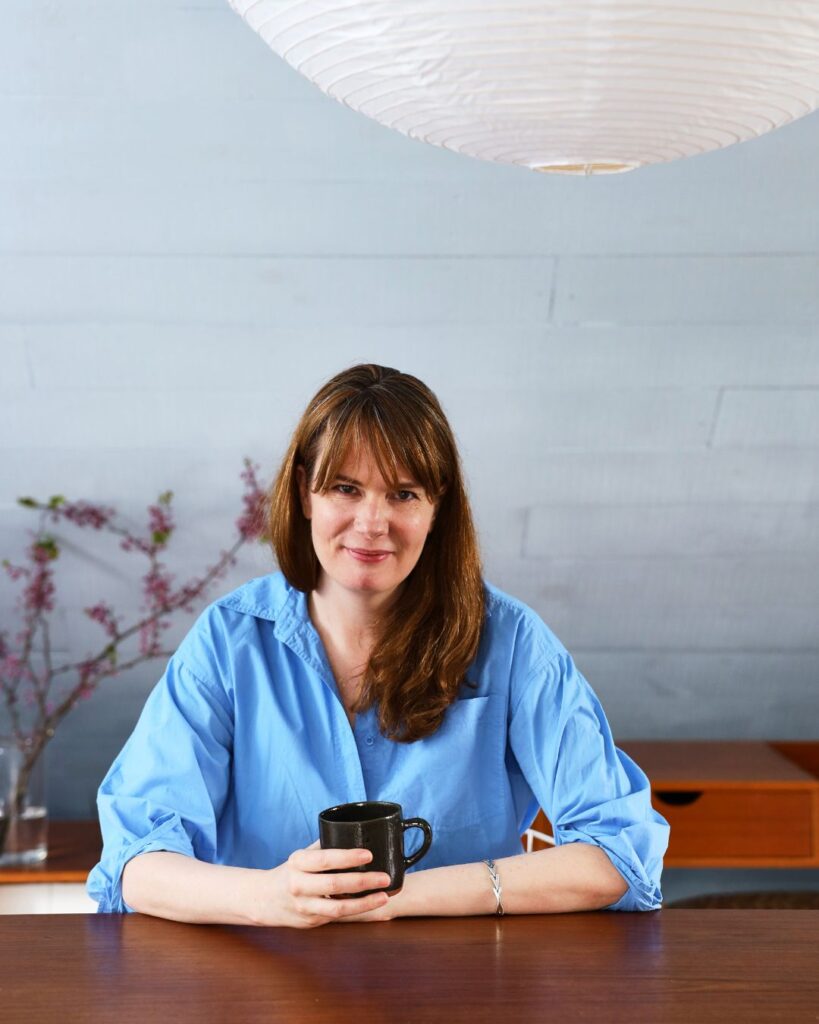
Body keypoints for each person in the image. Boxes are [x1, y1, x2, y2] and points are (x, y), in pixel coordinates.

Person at [87, 363, 670, 926]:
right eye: (345, 488)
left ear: (437, 508)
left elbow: (620, 854)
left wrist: (398, 896)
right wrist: (268, 896)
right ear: (304, 492)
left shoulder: (513, 643)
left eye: (403, 494)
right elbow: (136, 863)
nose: (372, 522)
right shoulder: (229, 640)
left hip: (463, 984)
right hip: (265, 984)